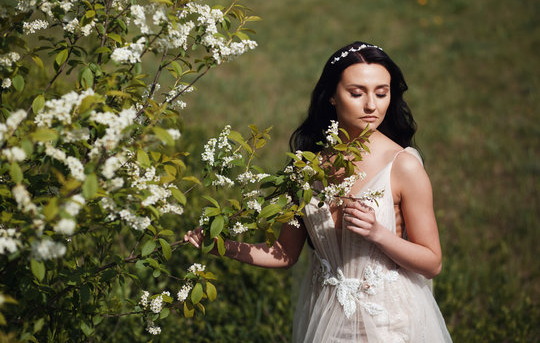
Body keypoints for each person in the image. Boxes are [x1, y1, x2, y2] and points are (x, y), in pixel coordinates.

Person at [184, 41, 452, 342]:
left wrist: (378, 234)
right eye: (356, 92)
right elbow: (284, 253)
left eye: (381, 92)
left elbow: (432, 262)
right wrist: (221, 244)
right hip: (328, 321)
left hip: (390, 322)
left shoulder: (402, 166)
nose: (371, 106)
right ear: (333, 98)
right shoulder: (307, 169)